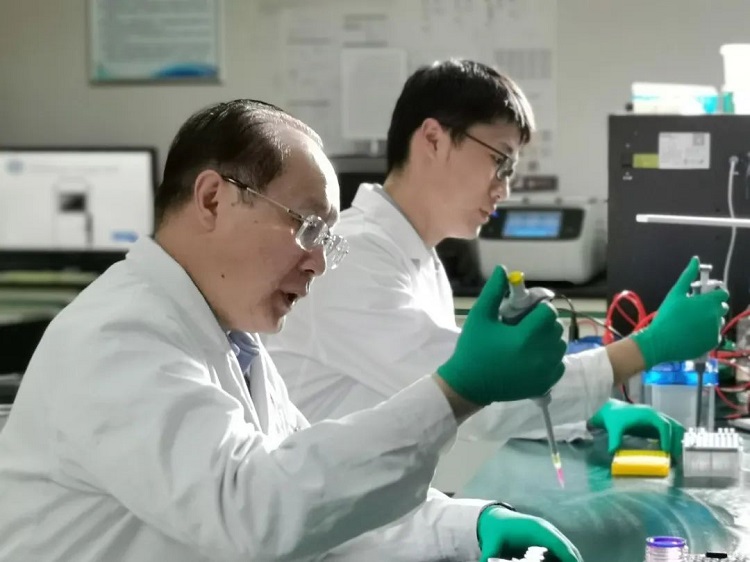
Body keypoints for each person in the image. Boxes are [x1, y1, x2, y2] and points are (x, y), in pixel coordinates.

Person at [0, 99, 584, 562]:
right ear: (212, 199)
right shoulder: (117, 337)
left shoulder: (232, 341)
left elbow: (322, 500)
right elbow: (254, 511)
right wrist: (458, 390)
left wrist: (467, 525)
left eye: (327, 238)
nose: (319, 263)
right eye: (307, 226)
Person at [263, 59, 730, 477]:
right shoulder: (352, 257)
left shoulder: (418, 258)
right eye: (500, 161)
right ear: (433, 139)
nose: (504, 188)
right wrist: (647, 347)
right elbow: (478, 393)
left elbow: (459, 406)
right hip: (328, 518)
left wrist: (590, 413)